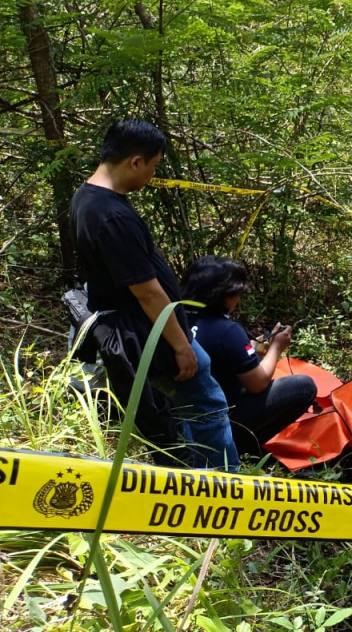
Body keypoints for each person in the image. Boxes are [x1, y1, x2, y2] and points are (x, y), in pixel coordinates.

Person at [69, 118, 238, 471]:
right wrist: (182, 346)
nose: (151, 176)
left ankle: (191, 476)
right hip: (148, 332)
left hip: (142, 329)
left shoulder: (87, 198)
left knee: (182, 411)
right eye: (153, 166)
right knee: (207, 406)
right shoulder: (110, 215)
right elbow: (146, 292)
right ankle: (226, 485)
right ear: (135, 161)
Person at [182, 256, 317, 455]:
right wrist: (276, 348)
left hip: (180, 417)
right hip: (219, 419)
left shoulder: (174, 321)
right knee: (304, 387)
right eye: (236, 293)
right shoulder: (226, 330)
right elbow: (258, 384)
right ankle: (246, 448)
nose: (238, 299)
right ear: (223, 295)